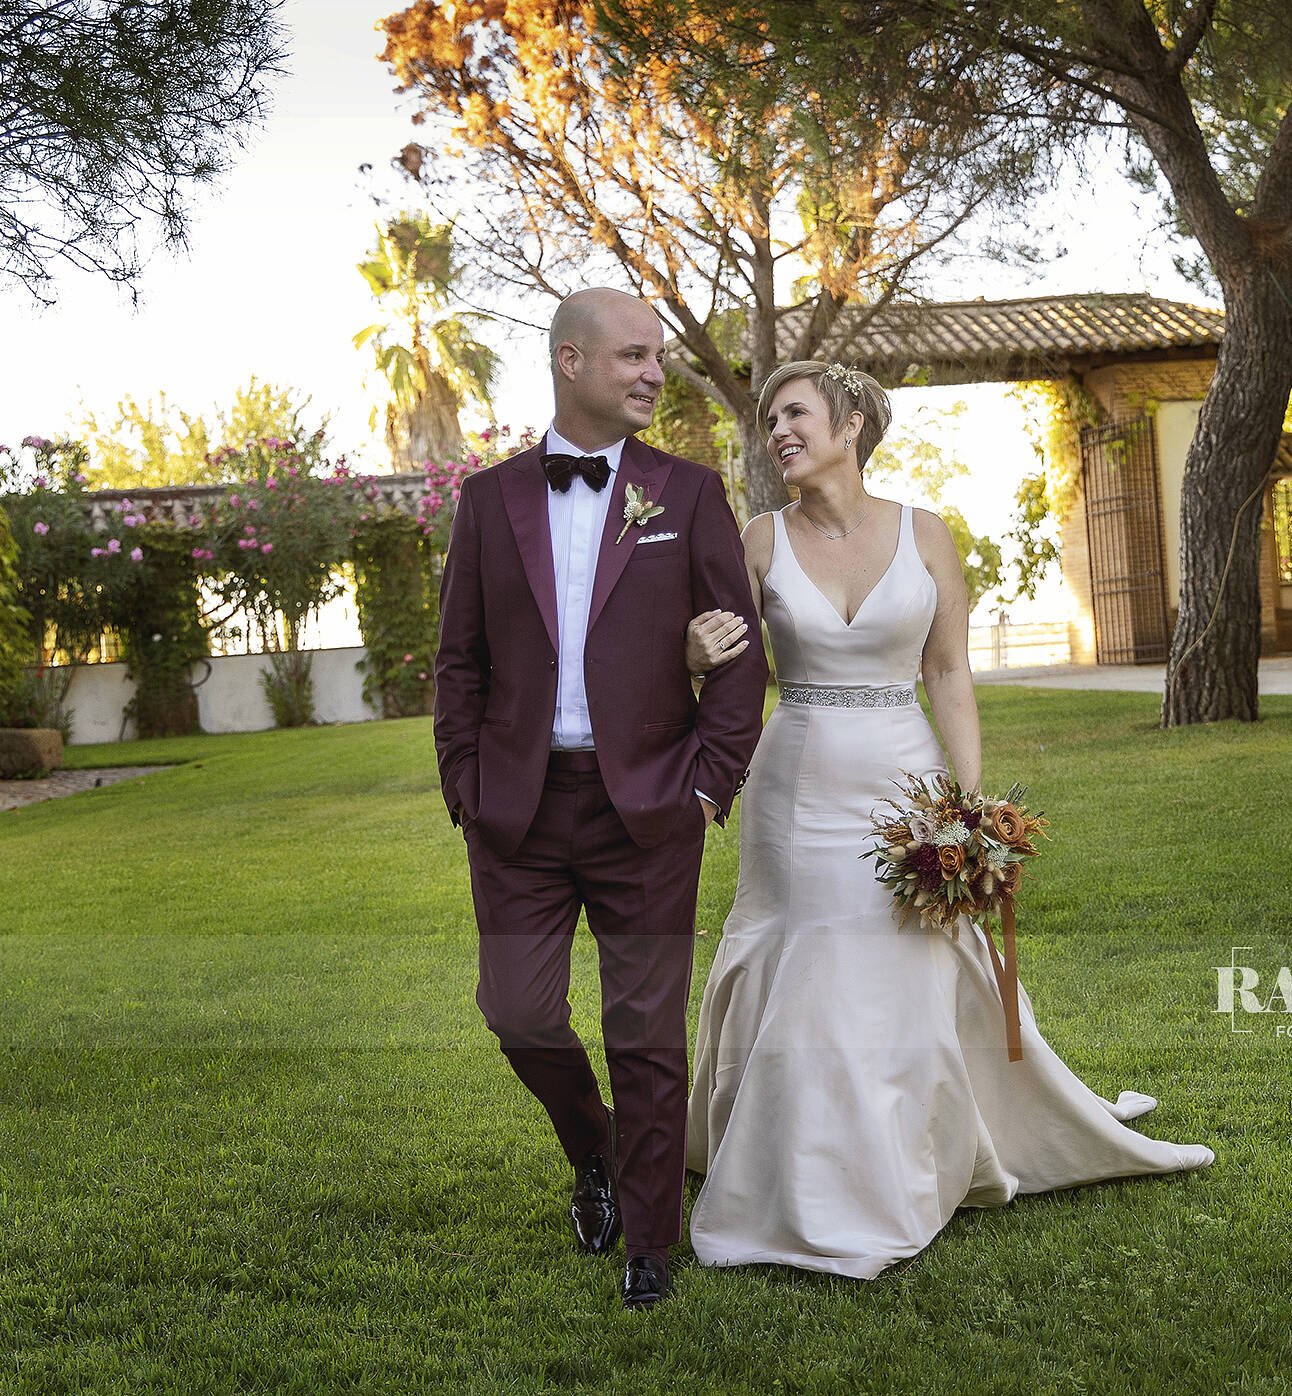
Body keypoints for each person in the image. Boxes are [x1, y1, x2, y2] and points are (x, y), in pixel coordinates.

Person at [681, 360, 1213, 1280]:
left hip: (907, 777)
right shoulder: (758, 539)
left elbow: (948, 670)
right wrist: (691, 653)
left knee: (905, 959)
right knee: (809, 953)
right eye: (770, 420)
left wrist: (969, 805)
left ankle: (911, 1145)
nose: (778, 432)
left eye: (795, 413)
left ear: (851, 425)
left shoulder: (926, 534)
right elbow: (717, 662)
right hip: (797, 786)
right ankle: (801, 1169)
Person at [432, 288, 768, 1309]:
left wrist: (706, 784)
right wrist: (466, 788)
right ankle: (595, 1149)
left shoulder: (687, 493)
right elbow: (458, 663)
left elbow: (740, 653)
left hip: (650, 807)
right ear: (569, 361)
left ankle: (651, 1243)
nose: (654, 373)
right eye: (632, 355)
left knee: (645, 1031)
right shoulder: (487, 501)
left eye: (656, 357)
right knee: (518, 1010)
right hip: (518, 811)